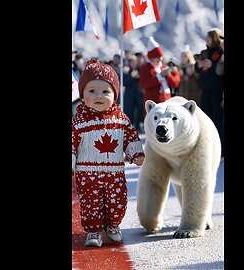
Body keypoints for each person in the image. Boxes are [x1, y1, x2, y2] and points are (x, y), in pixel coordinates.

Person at [72, 59, 145, 247]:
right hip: (87, 174)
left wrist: (135, 152)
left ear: (115, 94)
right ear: (82, 94)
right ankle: (94, 230)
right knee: (91, 201)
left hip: (114, 173)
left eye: (105, 91)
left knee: (117, 200)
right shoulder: (79, 120)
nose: (99, 96)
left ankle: (113, 225)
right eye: (92, 91)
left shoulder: (120, 119)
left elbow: (130, 136)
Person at [194, 28, 224, 140]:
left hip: (217, 92)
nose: (206, 39)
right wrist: (199, 65)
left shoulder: (221, 52)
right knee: (205, 119)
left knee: (217, 119)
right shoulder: (204, 52)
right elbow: (196, 69)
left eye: (209, 37)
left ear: (214, 38)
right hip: (205, 91)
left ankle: (219, 144)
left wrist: (212, 65)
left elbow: (220, 71)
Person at [139, 36, 180, 111]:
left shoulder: (163, 67)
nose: (160, 59)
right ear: (152, 57)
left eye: (161, 57)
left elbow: (174, 84)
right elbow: (144, 84)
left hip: (167, 99)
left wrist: (168, 75)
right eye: (158, 57)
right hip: (154, 100)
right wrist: (159, 76)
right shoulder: (146, 68)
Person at [123, 55, 144, 132]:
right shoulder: (126, 70)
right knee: (129, 111)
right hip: (129, 94)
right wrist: (131, 76)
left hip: (139, 94)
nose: (132, 63)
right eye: (130, 61)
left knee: (140, 111)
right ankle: (129, 127)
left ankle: (138, 126)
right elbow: (124, 82)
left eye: (134, 61)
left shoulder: (140, 70)